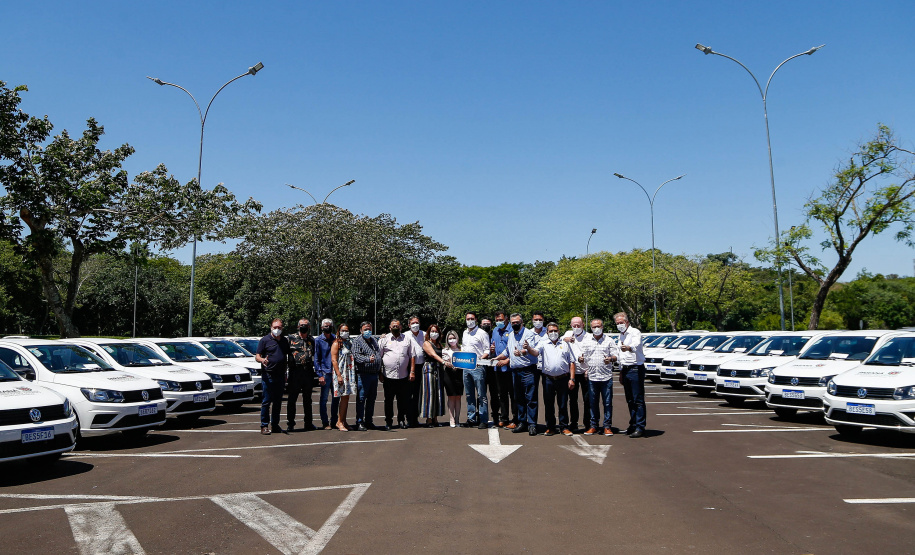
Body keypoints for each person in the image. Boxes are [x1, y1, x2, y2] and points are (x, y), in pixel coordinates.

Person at [494, 313, 540, 436]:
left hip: (528, 370)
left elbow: (528, 349)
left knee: (531, 399)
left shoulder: (528, 334)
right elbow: (507, 351)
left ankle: (532, 425)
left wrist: (522, 352)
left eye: (517, 322)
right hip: (515, 371)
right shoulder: (511, 335)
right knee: (518, 399)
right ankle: (522, 422)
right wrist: (497, 358)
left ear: (522, 322)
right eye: (513, 322)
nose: (515, 324)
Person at [579, 318, 619, 436]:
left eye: (598, 326)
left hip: (606, 377)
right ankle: (594, 426)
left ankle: (607, 426)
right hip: (592, 377)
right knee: (593, 403)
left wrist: (611, 359)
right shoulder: (587, 341)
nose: (596, 329)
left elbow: (616, 355)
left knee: (607, 403)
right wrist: (580, 359)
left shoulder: (609, 340)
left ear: (602, 327)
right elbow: (583, 357)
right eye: (594, 327)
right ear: (591, 328)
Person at [534, 322, 575, 436]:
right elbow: (535, 352)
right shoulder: (543, 343)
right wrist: (528, 348)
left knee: (562, 404)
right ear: (547, 333)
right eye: (551, 331)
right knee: (549, 404)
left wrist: (572, 379)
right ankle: (550, 427)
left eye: (555, 331)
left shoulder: (566, 344)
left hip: (563, 378)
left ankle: (564, 427)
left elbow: (572, 362)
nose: (553, 333)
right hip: (548, 379)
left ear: (559, 332)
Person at [254, 318, 290, 435]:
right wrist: (262, 360)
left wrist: (285, 373)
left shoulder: (284, 341)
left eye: (279, 328)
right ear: (271, 328)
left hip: (280, 375)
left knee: (278, 401)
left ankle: (275, 425)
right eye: (275, 327)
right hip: (268, 374)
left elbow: (285, 357)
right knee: (266, 401)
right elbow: (257, 356)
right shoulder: (265, 340)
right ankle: (264, 425)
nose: (277, 330)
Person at [379, 319, 416, 430]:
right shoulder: (384, 340)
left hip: (403, 376)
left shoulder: (407, 339)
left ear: (401, 328)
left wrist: (412, 371)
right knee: (388, 401)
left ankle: (401, 420)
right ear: (390, 328)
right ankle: (388, 422)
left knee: (402, 400)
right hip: (388, 376)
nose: (395, 327)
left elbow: (412, 356)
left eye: (397, 326)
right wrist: (380, 373)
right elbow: (379, 357)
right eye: (393, 326)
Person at [615, 312, 647, 438]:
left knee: (637, 399)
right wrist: (621, 371)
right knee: (629, 399)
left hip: (635, 368)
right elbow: (621, 355)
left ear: (627, 322)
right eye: (617, 323)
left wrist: (628, 347)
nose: (620, 325)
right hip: (626, 369)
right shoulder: (620, 335)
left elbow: (636, 344)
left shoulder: (634, 332)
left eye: (621, 323)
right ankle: (633, 424)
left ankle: (640, 426)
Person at [461, 311, 491, 429]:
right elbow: (463, 348)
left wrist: (478, 360)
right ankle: (471, 418)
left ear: (476, 320)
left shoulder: (482, 333)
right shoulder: (464, 333)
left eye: (472, 318)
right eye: (468, 319)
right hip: (466, 367)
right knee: (469, 394)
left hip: (478, 367)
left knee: (481, 394)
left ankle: (483, 419)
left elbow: (487, 350)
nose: (470, 321)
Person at [286, 318, 316, 432]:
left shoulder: (311, 339)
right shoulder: (291, 338)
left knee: (307, 400)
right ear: (298, 326)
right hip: (295, 373)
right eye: (301, 325)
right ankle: (290, 423)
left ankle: (308, 423)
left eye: (306, 325)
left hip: (308, 372)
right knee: (292, 399)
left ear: (309, 327)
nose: (304, 327)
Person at [351, 321, 382, 431]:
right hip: (363, 374)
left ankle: (369, 421)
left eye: (369, 329)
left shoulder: (373, 340)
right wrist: (368, 359)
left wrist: (379, 369)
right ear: (361, 330)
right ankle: (360, 421)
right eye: (365, 329)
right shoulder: (357, 341)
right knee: (361, 399)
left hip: (374, 375)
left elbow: (378, 354)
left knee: (372, 399)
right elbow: (356, 356)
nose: (368, 331)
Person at [563, 316, 591, 432]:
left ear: (583, 325)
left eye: (578, 325)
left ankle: (588, 423)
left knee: (587, 399)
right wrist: (567, 339)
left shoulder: (589, 337)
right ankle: (573, 422)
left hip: (585, 371)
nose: (576, 327)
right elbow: (560, 340)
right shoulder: (568, 333)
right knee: (572, 400)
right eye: (574, 325)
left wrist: (588, 367)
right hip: (572, 373)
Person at [488, 310, 514, 428]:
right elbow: (493, 347)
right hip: (498, 368)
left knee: (513, 395)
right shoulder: (495, 330)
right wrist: (492, 350)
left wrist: (507, 360)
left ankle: (516, 418)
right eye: (497, 320)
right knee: (502, 394)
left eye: (501, 320)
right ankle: (504, 418)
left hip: (510, 368)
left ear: (506, 319)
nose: (499, 322)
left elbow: (514, 349)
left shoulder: (513, 330)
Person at [330, 323, 356, 432]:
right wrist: (339, 375)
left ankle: (344, 421)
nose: (345, 332)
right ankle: (339, 422)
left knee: (346, 398)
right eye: (343, 330)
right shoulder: (336, 343)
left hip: (349, 372)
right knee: (343, 397)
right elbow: (334, 360)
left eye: (347, 330)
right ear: (339, 332)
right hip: (341, 372)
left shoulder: (349, 343)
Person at [314, 318, 339, 429]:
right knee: (324, 399)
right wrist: (320, 375)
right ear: (322, 327)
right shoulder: (318, 340)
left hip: (335, 372)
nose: (327, 328)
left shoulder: (336, 339)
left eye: (329, 326)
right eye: (325, 326)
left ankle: (334, 421)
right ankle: (325, 422)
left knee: (336, 398)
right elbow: (317, 358)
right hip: (325, 372)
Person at [420, 324, 447, 427]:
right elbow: (433, 354)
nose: (434, 333)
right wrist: (444, 362)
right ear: (428, 332)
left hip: (438, 369)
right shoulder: (427, 343)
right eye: (432, 331)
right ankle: (429, 419)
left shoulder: (440, 344)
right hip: (429, 369)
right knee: (429, 394)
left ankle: (435, 418)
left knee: (438, 393)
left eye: (436, 331)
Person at [405, 316, 425, 427]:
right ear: (409, 325)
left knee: (418, 394)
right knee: (409, 394)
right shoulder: (405, 335)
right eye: (413, 323)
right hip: (409, 368)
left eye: (417, 322)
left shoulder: (424, 334)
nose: (415, 325)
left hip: (422, 367)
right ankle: (408, 418)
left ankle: (415, 418)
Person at [441, 330, 464, 427]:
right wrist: (449, 362)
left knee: (458, 397)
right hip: (449, 374)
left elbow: (466, 361)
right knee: (451, 396)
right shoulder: (445, 350)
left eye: (453, 338)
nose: (452, 340)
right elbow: (444, 361)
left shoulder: (462, 349)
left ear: (457, 338)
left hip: (460, 373)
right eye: (450, 338)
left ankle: (458, 418)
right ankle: (451, 418)